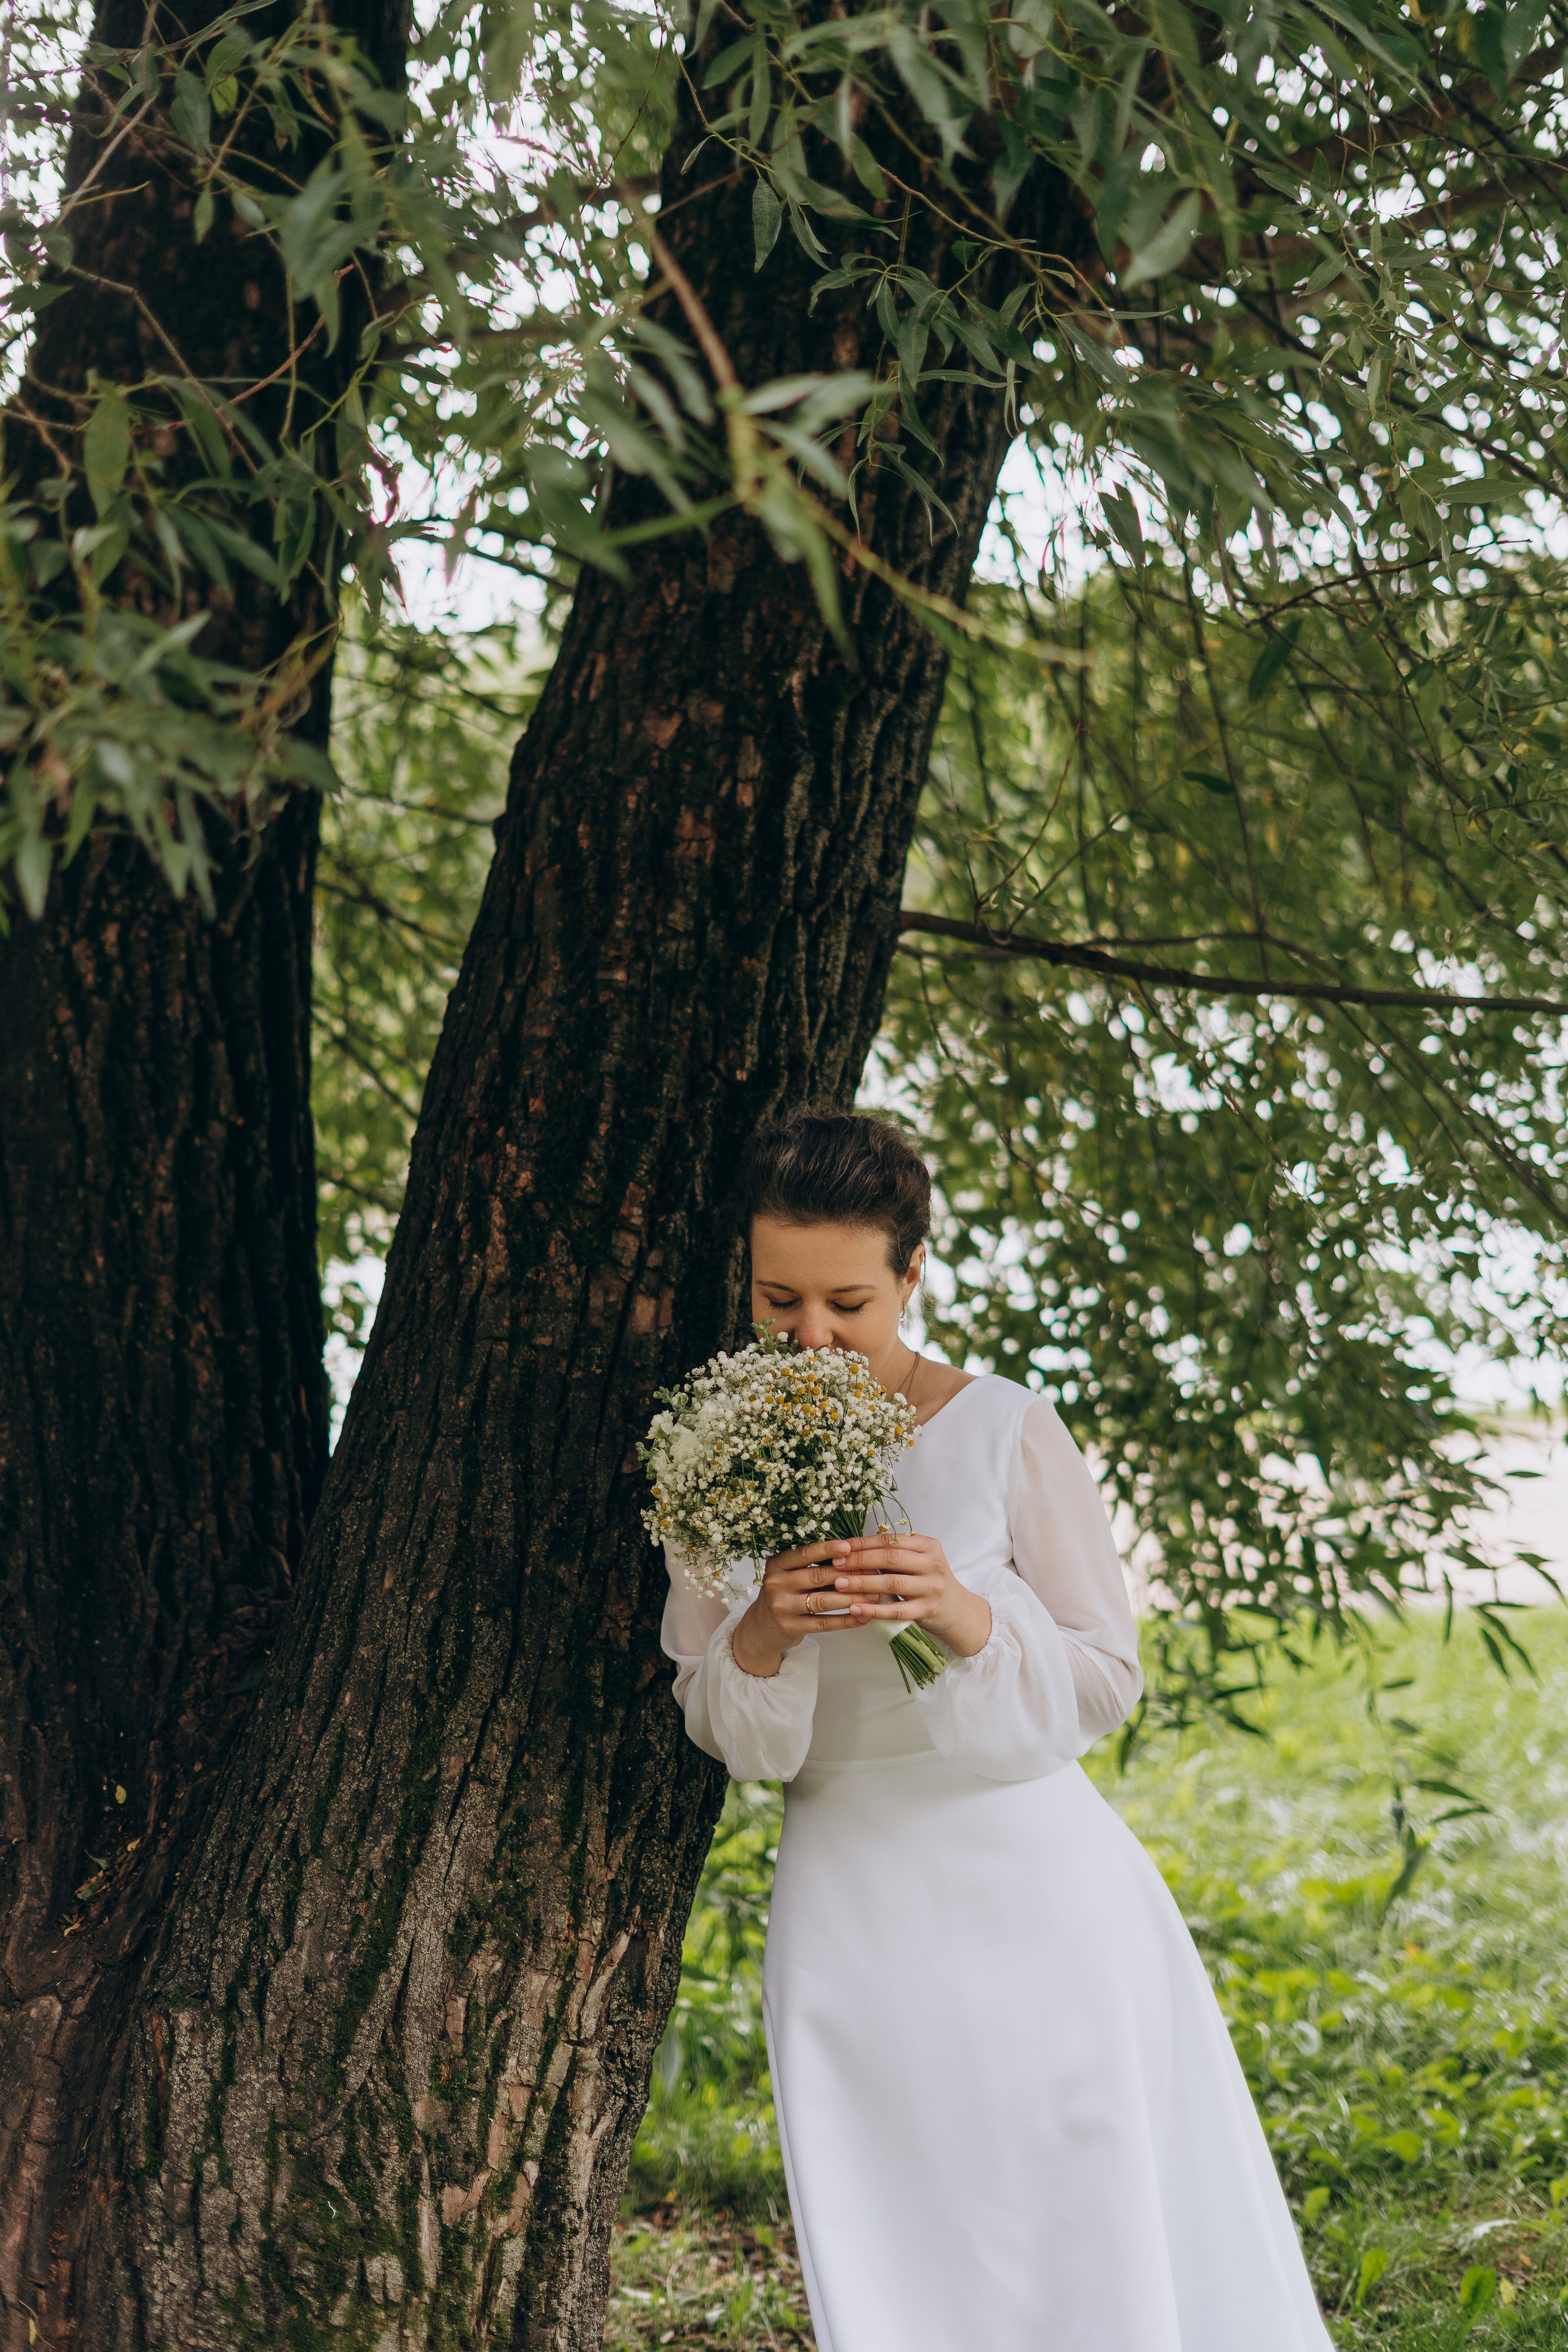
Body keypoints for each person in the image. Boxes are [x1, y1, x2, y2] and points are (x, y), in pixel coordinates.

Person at [660, 1109, 1333, 2352]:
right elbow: (726, 1726)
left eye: (849, 1304)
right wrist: (760, 1633)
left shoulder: (1007, 1428)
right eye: (778, 1301)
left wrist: (962, 1617)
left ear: (912, 1275)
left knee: (1084, 2215)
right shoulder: (713, 1455)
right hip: (849, 1898)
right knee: (899, 2229)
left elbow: (1101, 1680)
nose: (811, 1335)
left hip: (1036, 1889)